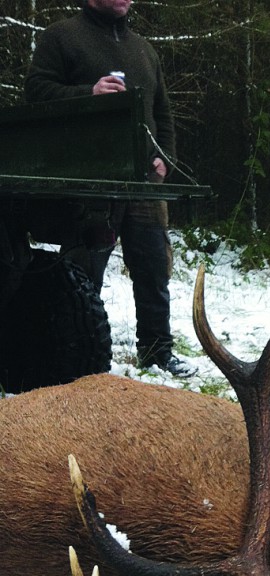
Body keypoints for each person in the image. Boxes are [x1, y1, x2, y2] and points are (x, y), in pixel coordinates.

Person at [24, 0, 195, 378]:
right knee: (85, 271)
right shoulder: (62, 36)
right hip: (91, 178)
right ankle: (75, 356)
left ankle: (157, 352)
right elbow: (35, 92)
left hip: (143, 181)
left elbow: (161, 112)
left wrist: (165, 159)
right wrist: (89, 92)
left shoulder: (145, 50)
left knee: (153, 268)